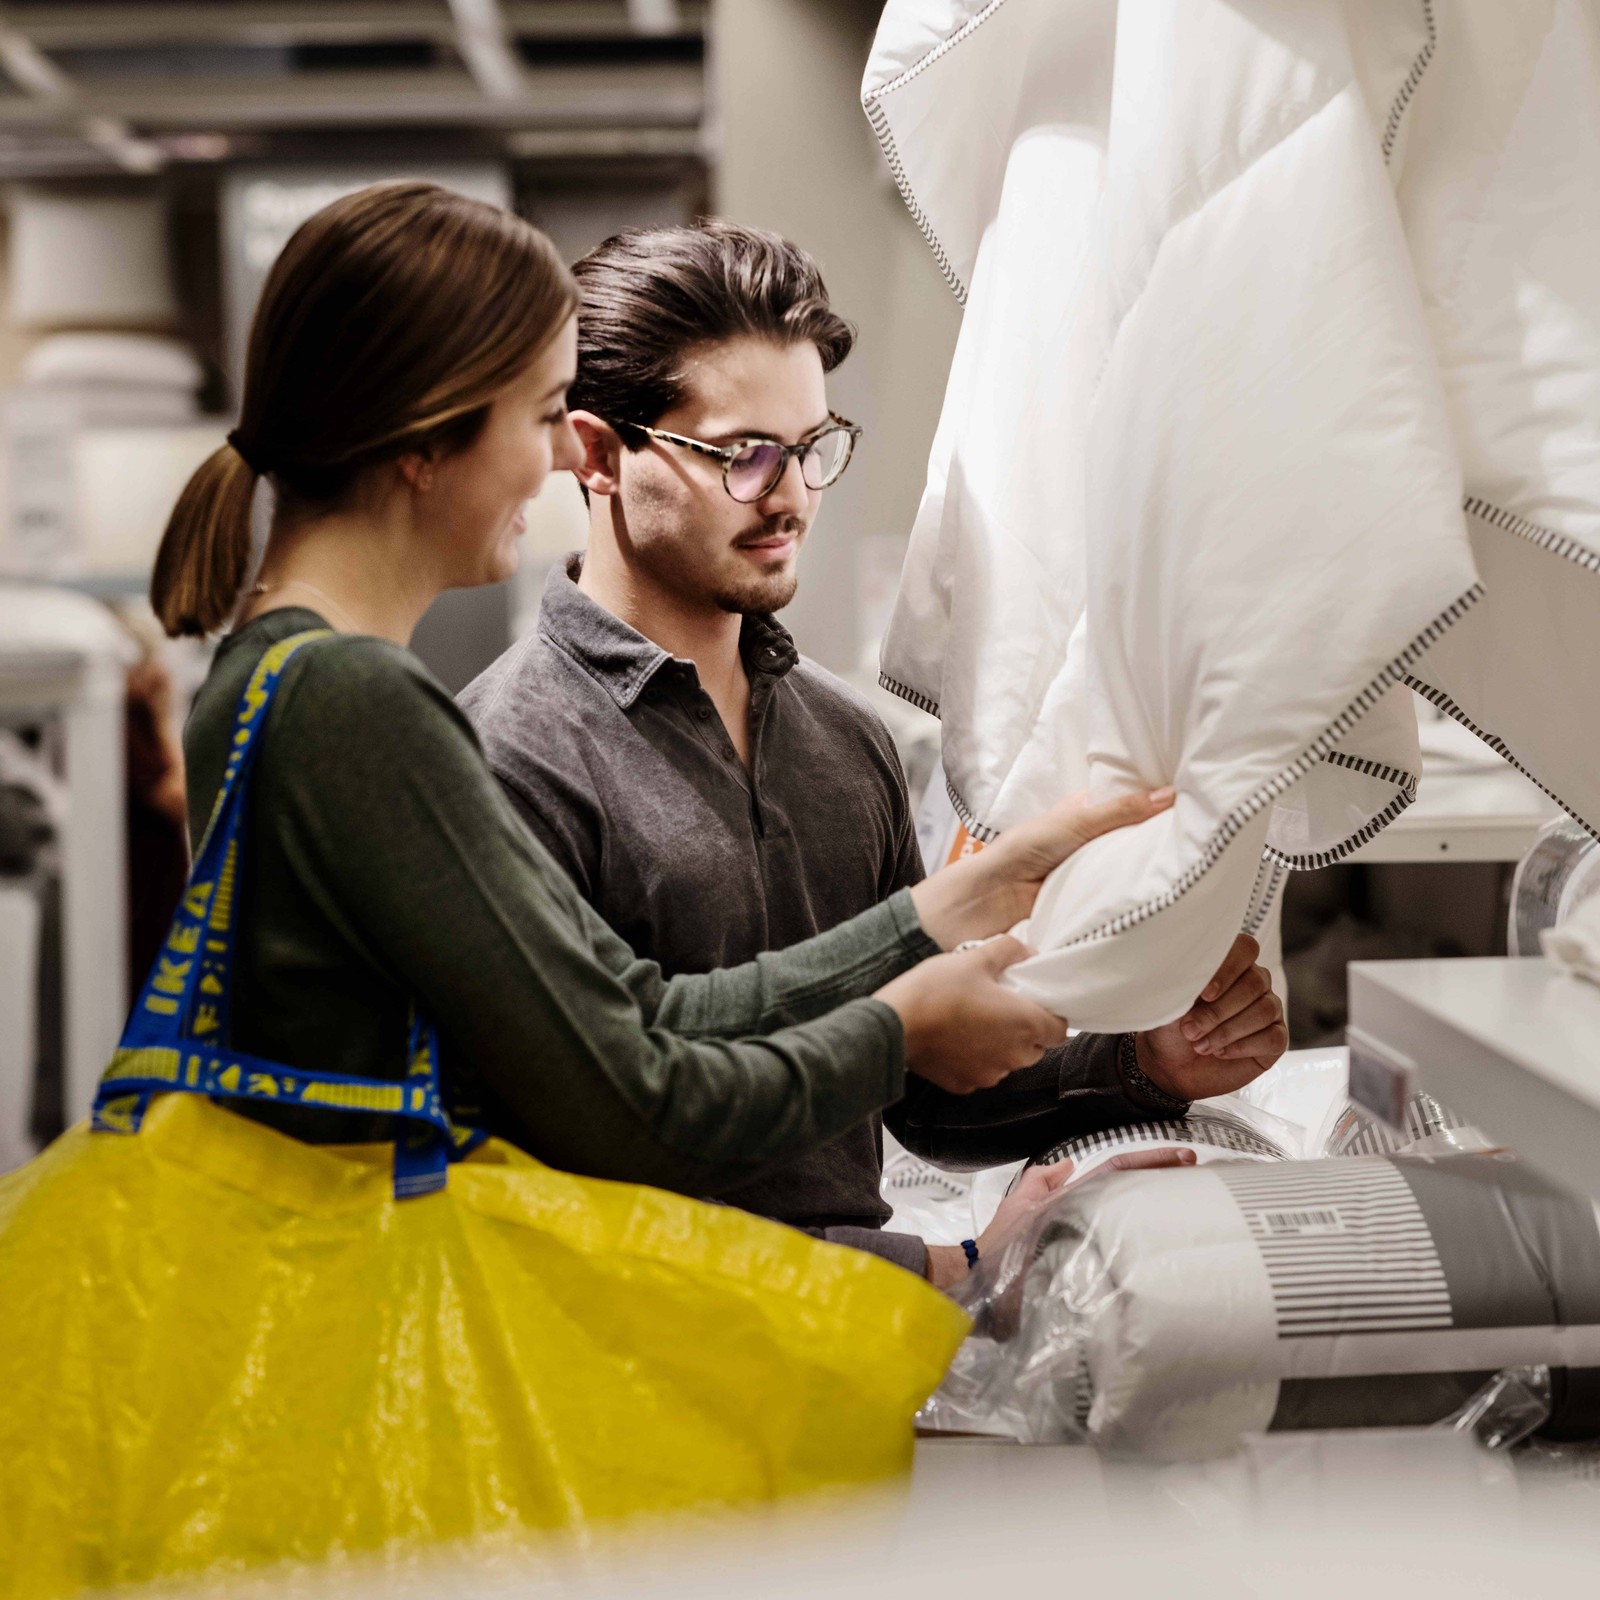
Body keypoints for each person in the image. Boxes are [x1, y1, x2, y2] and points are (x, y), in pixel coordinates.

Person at [145, 180, 1175, 1204]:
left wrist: (985, 939)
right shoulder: (374, 704)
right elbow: (633, 1096)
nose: (555, 455)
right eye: (544, 414)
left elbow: (645, 1024)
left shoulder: (273, 674)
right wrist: (910, 1030)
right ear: (426, 437)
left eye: (810, 448)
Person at [459, 221, 1289, 1285]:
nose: (793, 495)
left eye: (811, 448)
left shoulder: (843, 742)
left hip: (850, 1353)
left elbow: (917, 1086)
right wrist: (946, 1265)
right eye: (740, 454)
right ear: (598, 455)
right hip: (628, 1392)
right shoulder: (508, 759)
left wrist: (1144, 1064)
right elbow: (574, 1173)